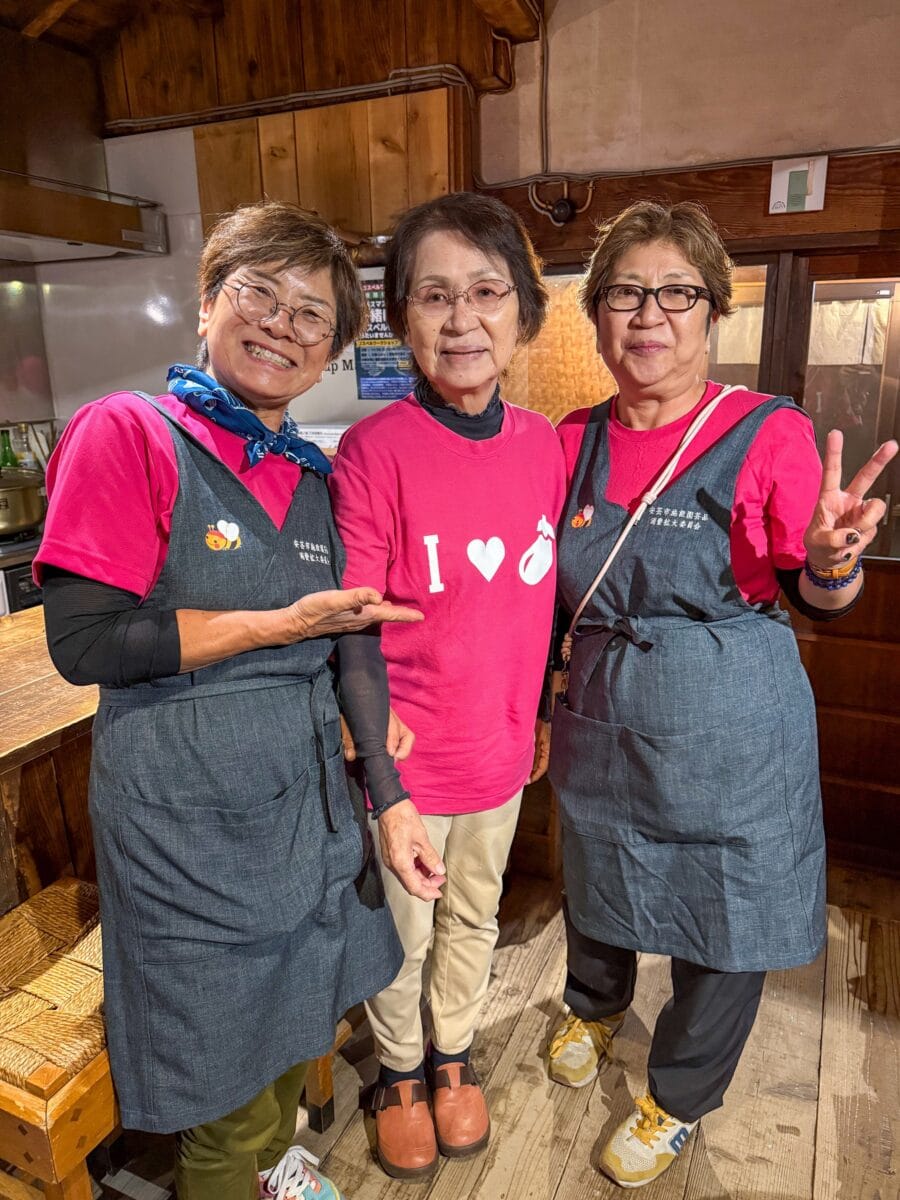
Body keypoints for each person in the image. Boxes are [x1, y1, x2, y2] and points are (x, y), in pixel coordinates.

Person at [34, 201, 425, 1200]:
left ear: (332, 351)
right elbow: (86, 647)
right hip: (188, 833)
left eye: (312, 317)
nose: (282, 327)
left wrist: (389, 797)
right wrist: (276, 625)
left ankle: (272, 1169)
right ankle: (239, 1172)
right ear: (208, 304)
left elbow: (354, 644)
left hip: (305, 819)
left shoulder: (311, 477)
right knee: (226, 1084)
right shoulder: (131, 433)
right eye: (261, 294)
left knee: (298, 1038)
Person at [544, 200, 898, 1189]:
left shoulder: (765, 431)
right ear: (599, 312)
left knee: (725, 913)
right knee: (599, 880)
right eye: (625, 292)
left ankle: (677, 1098)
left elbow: (819, 593)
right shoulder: (570, 440)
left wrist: (832, 562)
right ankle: (593, 1005)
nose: (649, 314)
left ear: (711, 314)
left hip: (732, 721)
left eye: (677, 293)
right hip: (605, 712)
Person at [328, 192, 566, 1180]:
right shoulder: (373, 451)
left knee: (476, 912)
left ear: (523, 315)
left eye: (485, 292)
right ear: (400, 315)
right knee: (405, 928)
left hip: (503, 748)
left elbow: (546, 599)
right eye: (434, 295)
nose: (461, 319)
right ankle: (395, 1071)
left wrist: (542, 707)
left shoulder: (546, 445)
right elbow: (352, 632)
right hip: (411, 762)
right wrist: (382, 783)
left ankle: (453, 1054)